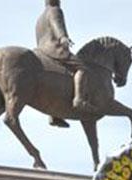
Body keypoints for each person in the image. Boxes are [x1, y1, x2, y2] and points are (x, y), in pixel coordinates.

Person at [36, 0, 95, 129]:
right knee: (82, 69)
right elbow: (56, 24)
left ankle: (55, 115)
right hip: (53, 48)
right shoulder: (55, 10)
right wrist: (63, 37)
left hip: (40, 50)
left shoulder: (40, 18)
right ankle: (79, 99)